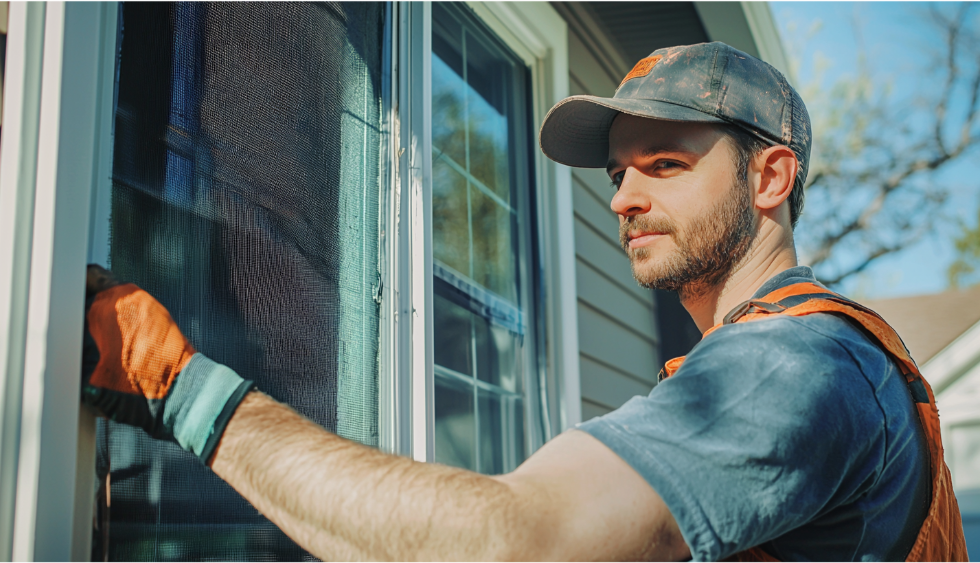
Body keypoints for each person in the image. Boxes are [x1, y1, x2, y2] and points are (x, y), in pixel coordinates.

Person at [83, 42, 966, 562]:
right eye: (620, 172)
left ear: (770, 175)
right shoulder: (832, 357)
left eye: (665, 163)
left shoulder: (788, 367)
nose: (621, 198)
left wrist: (180, 387)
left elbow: (514, 540)